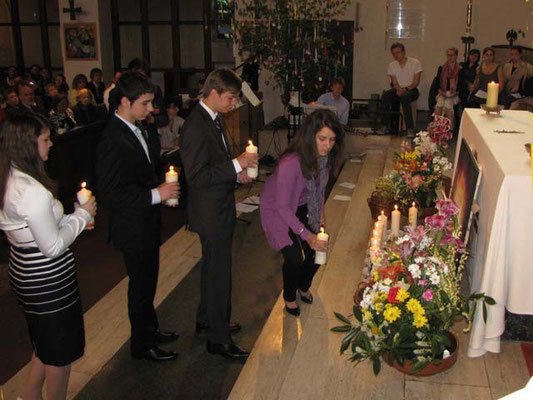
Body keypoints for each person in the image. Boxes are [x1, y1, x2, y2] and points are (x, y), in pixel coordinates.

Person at [0, 114, 97, 400]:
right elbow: (52, 247)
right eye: (45, 139)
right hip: (47, 279)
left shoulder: (9, 176)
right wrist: (81, 216)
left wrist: (71, 220)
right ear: (28, 145)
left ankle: (29, 395)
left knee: (45, 340)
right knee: (59, 351)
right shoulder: (31, 192)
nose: (51, 144)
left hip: (24, 268)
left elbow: (35, 231)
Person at [96, 71, 180, 362]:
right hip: (131, 225)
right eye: (144, 103)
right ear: (123, 102)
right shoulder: (112, 137)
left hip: (146, 220)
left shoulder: (138, 127)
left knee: (149, 280)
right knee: (140, 286)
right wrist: (157, 194)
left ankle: (150, 329)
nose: (151, 109)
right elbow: (110, 193)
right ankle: (141, 345)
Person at [179, 68, 258, 360]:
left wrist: (237, 175)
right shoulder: (195, 126)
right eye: (230, 97)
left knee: (212, 268)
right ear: (213, 93)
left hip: (219, 205)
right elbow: (197, 177)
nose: (233, 103)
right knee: (218, 273)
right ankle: (218, 338)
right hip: (209, 211)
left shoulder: (213, 119)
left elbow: (217, 164)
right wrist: (237, 164)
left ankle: (207, 320)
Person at [259, 109, 343, 316]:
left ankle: (303, 287)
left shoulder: (325, 158)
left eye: (332, 140)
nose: (328, 145)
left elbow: (319, 188)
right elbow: (282, 207)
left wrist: (321, 212)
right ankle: (289, 297)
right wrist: (307, 235)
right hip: (278, 208)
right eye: (322, 138)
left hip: (304, 203)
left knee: (317, 252)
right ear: (309, 136)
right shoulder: (291, 163)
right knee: (295, 257)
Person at [378, 43, 422, 137]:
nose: (396, 55)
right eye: (393, 53)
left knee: (405, 97)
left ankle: (410, 129)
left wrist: (405, 89)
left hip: (412, 89)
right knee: (386, 96)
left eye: (398, 52)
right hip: (399, 88)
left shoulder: (415, 63)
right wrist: (399, 89)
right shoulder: (392, 65)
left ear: (403, 52)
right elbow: (394, 82)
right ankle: (384, 126)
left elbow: (416, 82)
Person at [434, 47, 460, 129]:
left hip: (455, 94)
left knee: (448, 103)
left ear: (456, 56)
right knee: (439, 103)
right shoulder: (442, 68)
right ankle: (437, 128)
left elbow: (461, 87)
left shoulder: (460, 69)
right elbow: (437, 83)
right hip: (443, 93)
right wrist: (440, 91)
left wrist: (454, 93)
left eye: (452, 55)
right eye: (448, 55)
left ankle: (450, 129)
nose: (450, 57)